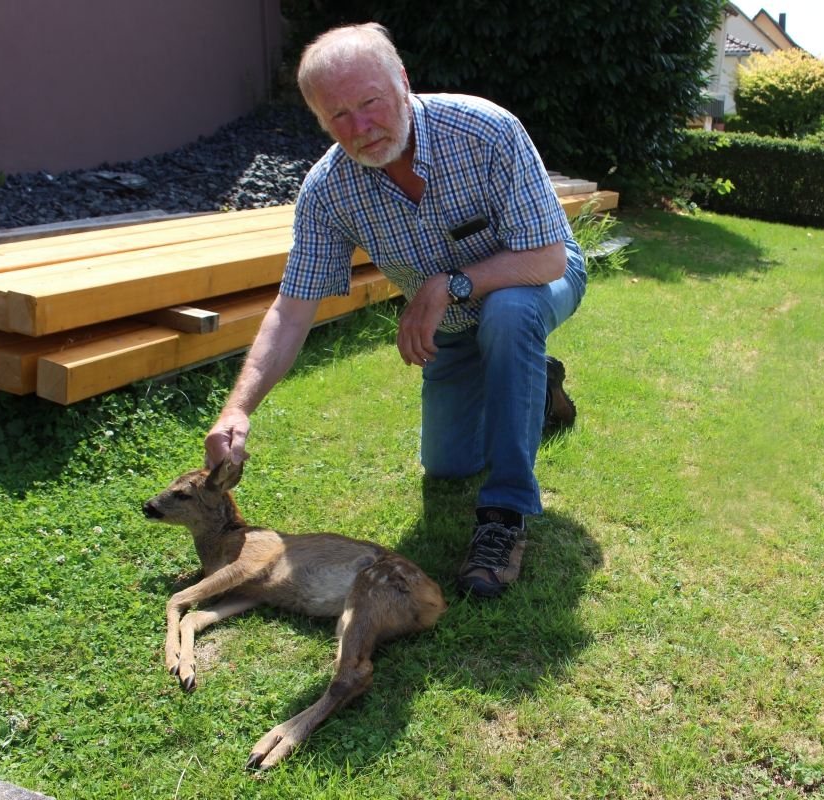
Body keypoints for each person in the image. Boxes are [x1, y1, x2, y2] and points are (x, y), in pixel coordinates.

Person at [203, 22, 586, 598]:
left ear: (402, 82)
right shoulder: (328, 190)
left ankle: (505, 513)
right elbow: (292, 309)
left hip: (532, 280)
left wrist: (446, 284)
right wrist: (237, 409)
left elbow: (550, 257)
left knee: (508, 313)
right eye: (338, 116)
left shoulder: (485, 130)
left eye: (370, 103)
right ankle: (536, 383)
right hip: (454, 328)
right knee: (449, 465)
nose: (360, 128)